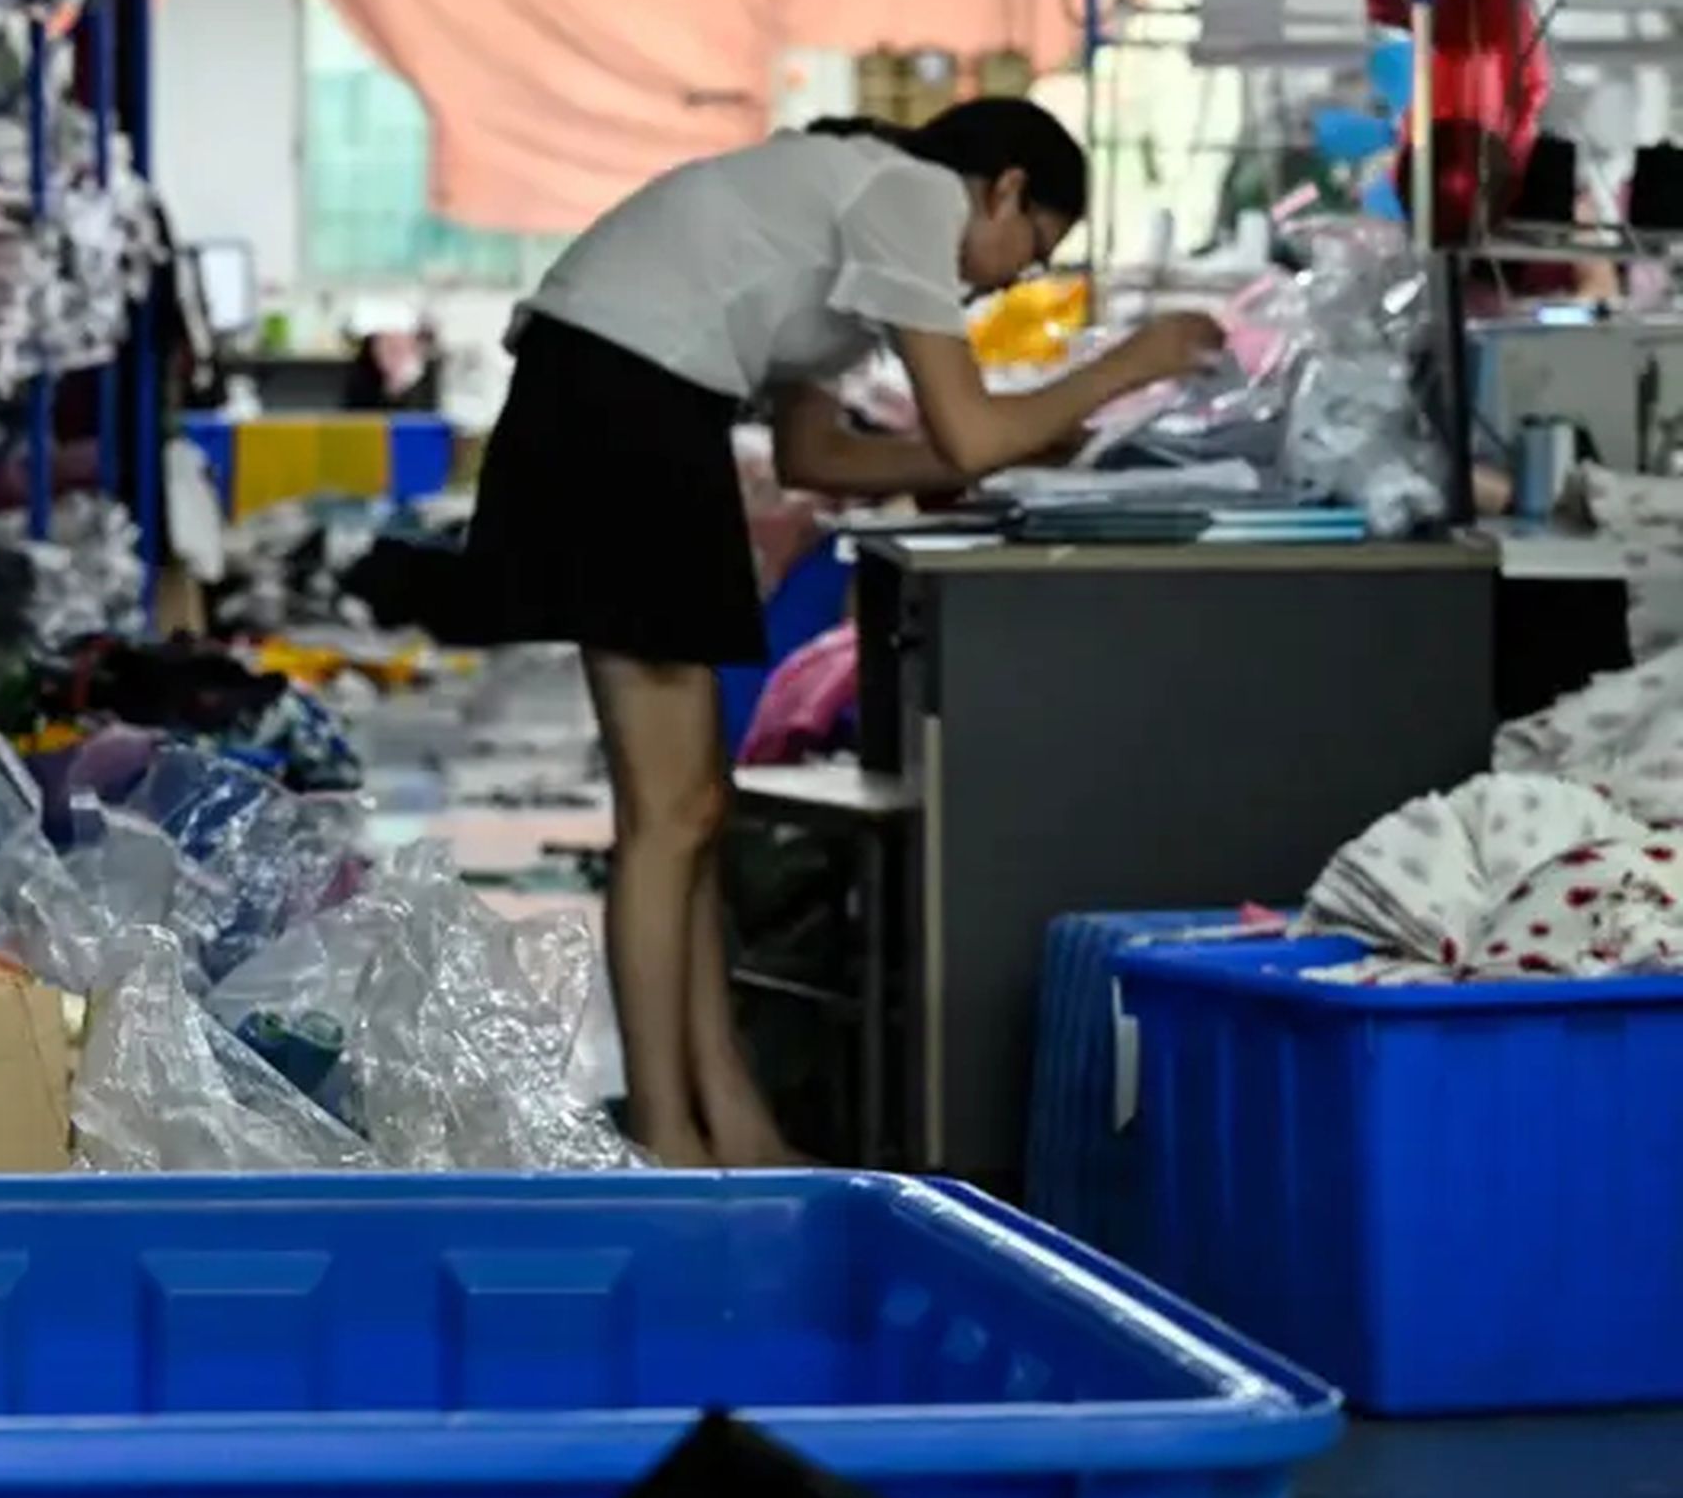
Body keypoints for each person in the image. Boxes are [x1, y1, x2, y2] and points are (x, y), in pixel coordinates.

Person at [466, 101, 1222, 1168]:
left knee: (689, 810)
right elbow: (966, 427)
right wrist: (1129, 363)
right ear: (999, 187)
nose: (1012, 279)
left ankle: (724, 1118)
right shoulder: (910, 194)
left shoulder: (848, 209)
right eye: (1032, 247)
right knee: (667, 814)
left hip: (625, 400)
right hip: (621, 407)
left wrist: (1020, 449)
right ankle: (669, 1135)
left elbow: (821, 456)